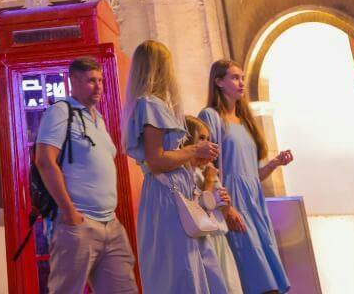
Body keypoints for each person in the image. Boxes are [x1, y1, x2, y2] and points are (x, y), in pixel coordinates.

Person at [122, 40, 229, 293]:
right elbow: (157, 161)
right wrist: (194, 149)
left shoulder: (152, 104)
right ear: (160, 68)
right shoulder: (151, 105)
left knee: (192, 266)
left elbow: (164, 157)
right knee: (183, 269)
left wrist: (193, 158)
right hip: (169, 198)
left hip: (172, 195)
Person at [35, 56, 137, 294]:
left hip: (110, 223)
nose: (99, 86)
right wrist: (69, 210)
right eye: (91, 81)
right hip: (78, 224)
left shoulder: (97, 117)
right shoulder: (61, 112)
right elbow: (44, 160)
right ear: (74, 82)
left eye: (100, 80)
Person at [199, 61, 293, 294]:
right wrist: (226, 208)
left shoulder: (245, 121)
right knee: (256, 278)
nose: (241, 83)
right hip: (233, 204)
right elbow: (207, 166)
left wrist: (274, 163)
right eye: (234, 77)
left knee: (268, 276)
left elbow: (252, 175)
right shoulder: (211, 116)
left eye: (242, 77)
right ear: (218, 82)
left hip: (255, 204)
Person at [185, 115, 244, 294]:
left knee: (231, 288)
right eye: (201, 138)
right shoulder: (188, 173)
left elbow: (217, 213)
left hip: (219, 239)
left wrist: (225, 203)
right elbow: (199, 210)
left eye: (208, 139)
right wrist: (209, 182)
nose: (207, 144)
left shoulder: (204, 171)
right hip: (205, 242)